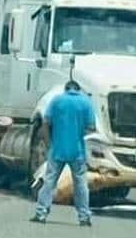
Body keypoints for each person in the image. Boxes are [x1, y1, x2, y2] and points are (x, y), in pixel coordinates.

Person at [30, 80, 96, 226]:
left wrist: (49, 143)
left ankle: (41, 213)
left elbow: (46, 123)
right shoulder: (86, 103)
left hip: (57, 149)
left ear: (66, 89)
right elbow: (91, 127)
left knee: (49, 182)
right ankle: (84, 217)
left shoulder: (56, 100)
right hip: (77, 151)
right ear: (78, 90)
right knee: (80, 184)